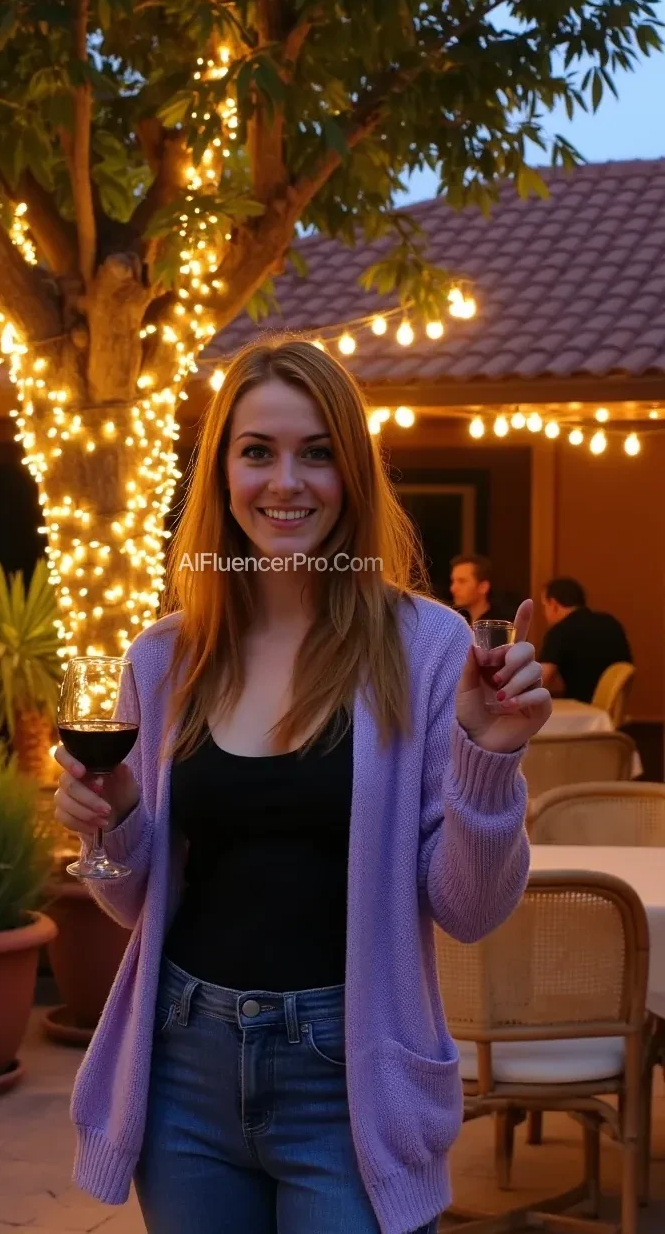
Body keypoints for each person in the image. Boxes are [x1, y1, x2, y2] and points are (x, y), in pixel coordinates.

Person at [54, 337, 550, 1234]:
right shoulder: (164, 659)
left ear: (353, 474)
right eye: (259, 451)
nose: (287, 480)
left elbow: (470, 910)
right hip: (183, 1066)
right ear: (223, 474)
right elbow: (137, 905)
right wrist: (116, 818)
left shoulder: (428, 649)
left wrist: (490, 758)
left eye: (317, 452)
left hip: (348, 1081)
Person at [540, 577, 632, 705]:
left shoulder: (559, 631)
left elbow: (542, 679)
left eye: (544, 606)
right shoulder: (610, 623)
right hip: (611, 712)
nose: (544, 614)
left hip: (580, 710)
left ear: (553, 605)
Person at [450, 553, 514, 624]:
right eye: (453, 581)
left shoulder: (499, 626)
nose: (453, 588)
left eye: (462, 581)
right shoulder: (452, 622)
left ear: (483, 587)